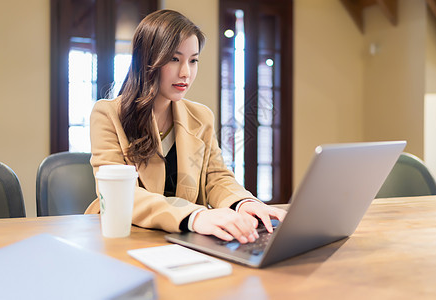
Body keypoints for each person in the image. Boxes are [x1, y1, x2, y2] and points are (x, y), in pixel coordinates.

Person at [85, 9, 286, 244]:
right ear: (147, 60)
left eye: (193, 60)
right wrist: (194, 216)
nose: (185, 73)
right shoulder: (107, 114)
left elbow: (217, 177)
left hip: (188, 241)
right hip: (127, 237)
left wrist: (244, 202)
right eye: (174, 59)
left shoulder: (201, 116)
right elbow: (118, 195)